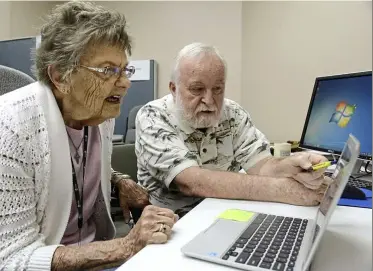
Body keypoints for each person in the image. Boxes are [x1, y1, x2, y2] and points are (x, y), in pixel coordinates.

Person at [0, 2, 177, 271]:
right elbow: (12, 258)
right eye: (108, 70)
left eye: (124, 69)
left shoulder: (99, 115)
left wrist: (119, 180)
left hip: (96, 256)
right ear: (60, 77)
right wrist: (126, 246)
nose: (125, 82)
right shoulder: (11, 129)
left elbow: (74, 161)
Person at [135, 42, 331, 216]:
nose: (209, 100)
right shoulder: (152, 116)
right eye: (197, 89)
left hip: (227, 215)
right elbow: (192, 182)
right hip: (171, 228)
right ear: (174, 89)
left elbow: (261, 164)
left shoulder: (233, 113)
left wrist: (292, 166)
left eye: (218, 89)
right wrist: (285, 190)